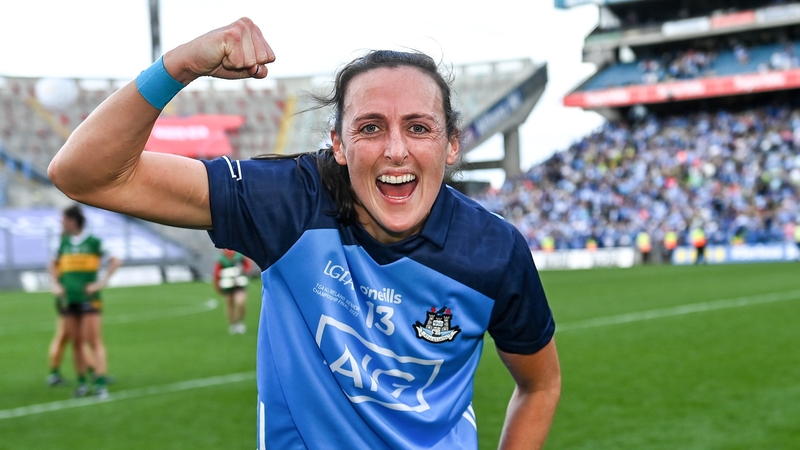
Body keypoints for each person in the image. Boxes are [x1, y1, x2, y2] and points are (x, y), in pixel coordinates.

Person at [48, 18, 560, 449]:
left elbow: (539, 385)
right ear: (338, 143)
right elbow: (84, 173)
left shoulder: (494, 250)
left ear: (451, 145)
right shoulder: (288, 202)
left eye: (420, 128)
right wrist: (178, 66)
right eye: (371, 127)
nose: (397, 150)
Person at [47, 205, 120, 398]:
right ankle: (81, 383)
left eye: (63, 219)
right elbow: (52, 265)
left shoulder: (93, 241)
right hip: (69, 299)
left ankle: (100, 383)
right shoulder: (62, 243)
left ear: (72, 220)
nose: (61, 223)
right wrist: (55, 284)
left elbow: (115, 260)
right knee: (76, 343)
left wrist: (100, 283)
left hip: (89, 299)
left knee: (93, 341)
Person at [213, 249, 251, 334]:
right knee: (229, 304)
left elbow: (247, 266)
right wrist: (218, 286)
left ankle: (240, 322)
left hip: (239, 284)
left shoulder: (240, 256)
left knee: (240, 302)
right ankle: (233, 324)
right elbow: (216, 273)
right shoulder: (221, 259)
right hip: (227, 285)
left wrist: (241, 271)